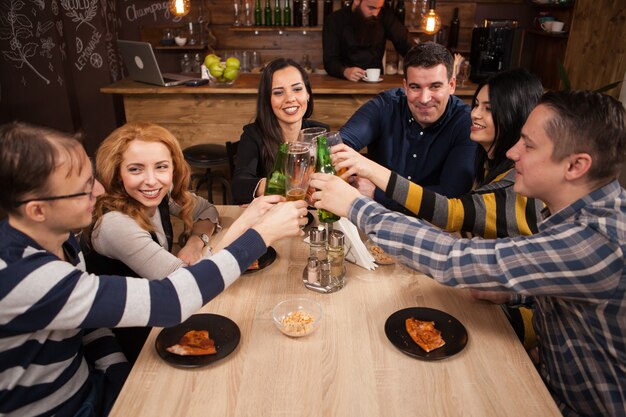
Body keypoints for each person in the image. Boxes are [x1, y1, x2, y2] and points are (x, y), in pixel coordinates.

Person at [311, 90, 626, 417]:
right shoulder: (581, 215)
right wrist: (514, 295)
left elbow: (452, 257)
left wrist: (354, 205)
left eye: (529, 145)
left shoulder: (597, 240)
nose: (513, 152)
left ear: (576, 165)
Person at [0, 121, 307, 416]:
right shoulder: (23, 276)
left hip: (91, 388)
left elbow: (86, 322)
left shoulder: (61, 238)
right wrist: (260, 234)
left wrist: (115, 371)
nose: (98, 191)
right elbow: (171, 299)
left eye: (91, 177)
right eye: (82, 189)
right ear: (37, 210)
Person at [332, 68, 545, 347]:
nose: (476, 115)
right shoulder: (488, 161)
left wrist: (370, 177)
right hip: (492, 290)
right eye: (477, 105)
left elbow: (450, 213)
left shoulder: (512, 185)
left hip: (520, 319)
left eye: (489, 109)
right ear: (404, 86)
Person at [82, 122, 222, 362]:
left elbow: (208, 211)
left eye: (161, 167)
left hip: (160, 311)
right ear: (117, 173)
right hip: (129, 335)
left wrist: (195, 242)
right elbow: (186, 284)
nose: (151, 180)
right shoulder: (114, 224)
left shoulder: (161, 195)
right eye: (135, 169)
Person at [340, 42, 476, 212]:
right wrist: (350, 178)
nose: (424, 98)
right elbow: (339, 144)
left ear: (452, 86)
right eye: (415, 87)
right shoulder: (386, 105)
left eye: (435, 86)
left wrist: (377, 193)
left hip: (433, 226)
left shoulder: (465, 123)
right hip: (373, 215)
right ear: (405, 86)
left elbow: (450, 198)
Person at [232, 58, 328, 204]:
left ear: (307, 94)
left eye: (297, 89)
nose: (290, 98)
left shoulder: (319, 134)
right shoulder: (253, 135)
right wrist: (286, 185)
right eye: (278, 92)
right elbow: (239, 186)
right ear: (267, 100)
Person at [323, 0, 410, 81]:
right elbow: (330, 61)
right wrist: (345, 71)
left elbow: (405, 43)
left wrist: (420, 60)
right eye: (371, 8)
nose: (375, 14)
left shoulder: (385, 16)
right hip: (343, 82)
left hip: (376, 82)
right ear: (357, 1)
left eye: (379, 8)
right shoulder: (334, 20)